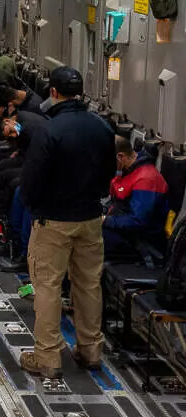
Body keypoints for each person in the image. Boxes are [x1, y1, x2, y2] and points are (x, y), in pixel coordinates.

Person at [19, 66, 115, 379]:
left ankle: (47, 357)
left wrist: (35, 207)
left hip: (54, 221)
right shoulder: (102, 128)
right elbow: (108, 176)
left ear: (54, 93)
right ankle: (90, 350)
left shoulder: (50, 129)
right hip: (89, 219)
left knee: (47, 285)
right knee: (88, 284)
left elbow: (32, 180)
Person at [104, 136, 168, 263]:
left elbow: (138, 221)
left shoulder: (146, 179)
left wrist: (106, 220)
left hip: (138, 241)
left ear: (120, 157)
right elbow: (116, 202)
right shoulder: (126, 170)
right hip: (121, 228)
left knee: (86, 243)